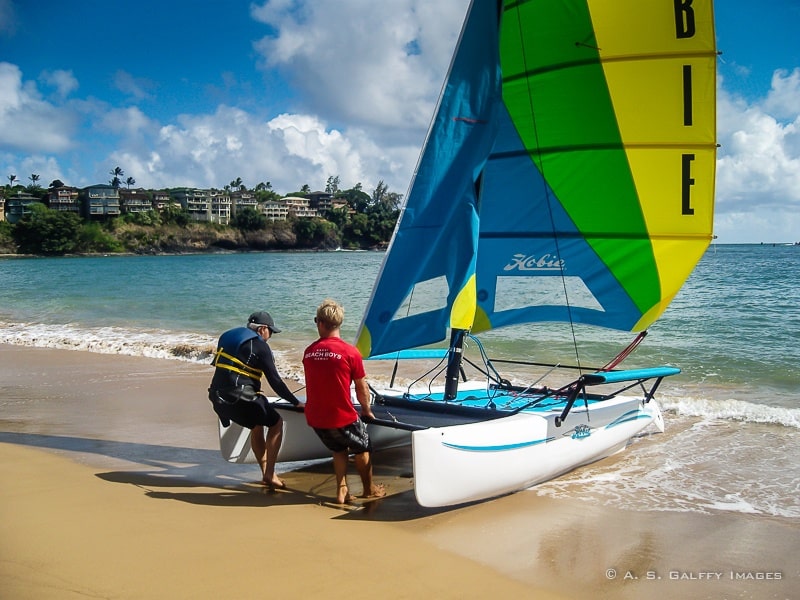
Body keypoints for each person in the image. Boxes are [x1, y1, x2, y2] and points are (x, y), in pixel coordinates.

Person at [302, 299, 386, 504]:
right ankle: (369, 490)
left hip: (315, 418)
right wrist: (366, 411)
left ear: (321, 323)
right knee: (363, 447)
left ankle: (342, 490)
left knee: (338, 449)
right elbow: (361, 387)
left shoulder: (309, 351)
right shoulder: (350, 352)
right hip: (341, 417)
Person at [209, 311, 301, 489]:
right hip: (241, 397)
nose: (270, 337)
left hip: (217, 397)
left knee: (256, 424)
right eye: (271, 332)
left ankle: (266, 472)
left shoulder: (231, 340)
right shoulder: (260, 346)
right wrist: (295, 402)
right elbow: (275, 381)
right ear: (262, 329)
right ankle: (270, 474)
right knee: (275, 423)